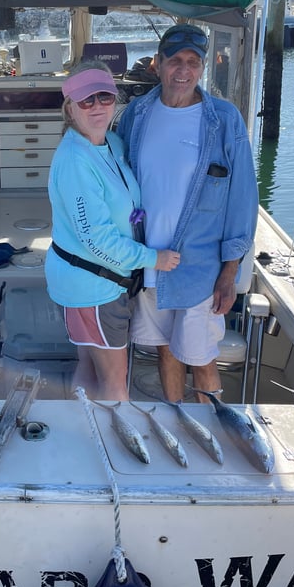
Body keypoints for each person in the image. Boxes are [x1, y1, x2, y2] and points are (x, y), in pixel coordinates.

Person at [117, 23, 258, 403]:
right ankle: (179, 425)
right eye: (174, 60)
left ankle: (212, 436)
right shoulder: (137, 113)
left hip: (200, 267)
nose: (183, 70)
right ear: (157, 65)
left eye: (193, 62)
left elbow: (243, 201)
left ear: (203, 67)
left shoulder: (225, 121)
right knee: (164, 348)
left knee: (201, 357)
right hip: (148, 262)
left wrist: (229, 274)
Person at [45, 62, 179, 401]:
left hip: (101, 281)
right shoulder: (75, 161)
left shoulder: (112, 144)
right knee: (116, 384)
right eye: (86, 100)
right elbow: (95, 239)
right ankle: (112, 450)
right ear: (69, 107)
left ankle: (82, 433)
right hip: (93, 286)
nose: (97, 107)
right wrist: (154, 259)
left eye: (104, 97)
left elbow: (125, 202)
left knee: (90, 364)